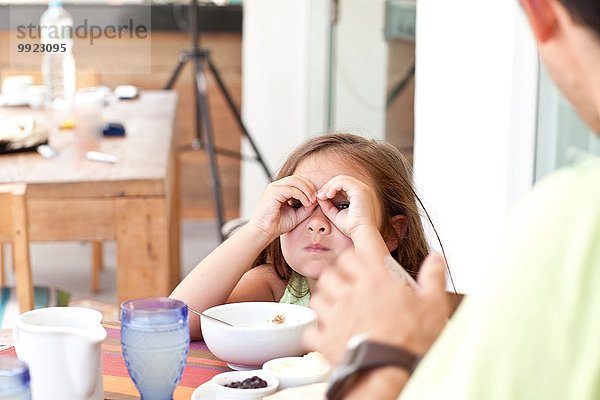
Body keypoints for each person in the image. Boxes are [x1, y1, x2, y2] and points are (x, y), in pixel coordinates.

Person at [303, 0, 600, 398]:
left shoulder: (576, 215)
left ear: (540, 13)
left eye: (338, 206)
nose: (319, 222)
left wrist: (382, 365)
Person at [170, 132, 429, 339]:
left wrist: (362, 228)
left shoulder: (411, 298)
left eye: (343, 206)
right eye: (297, 205)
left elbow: (410, 332)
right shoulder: (277, 285)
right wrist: (258, 229)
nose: (316, 224)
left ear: (392, 233)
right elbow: (178, 324)